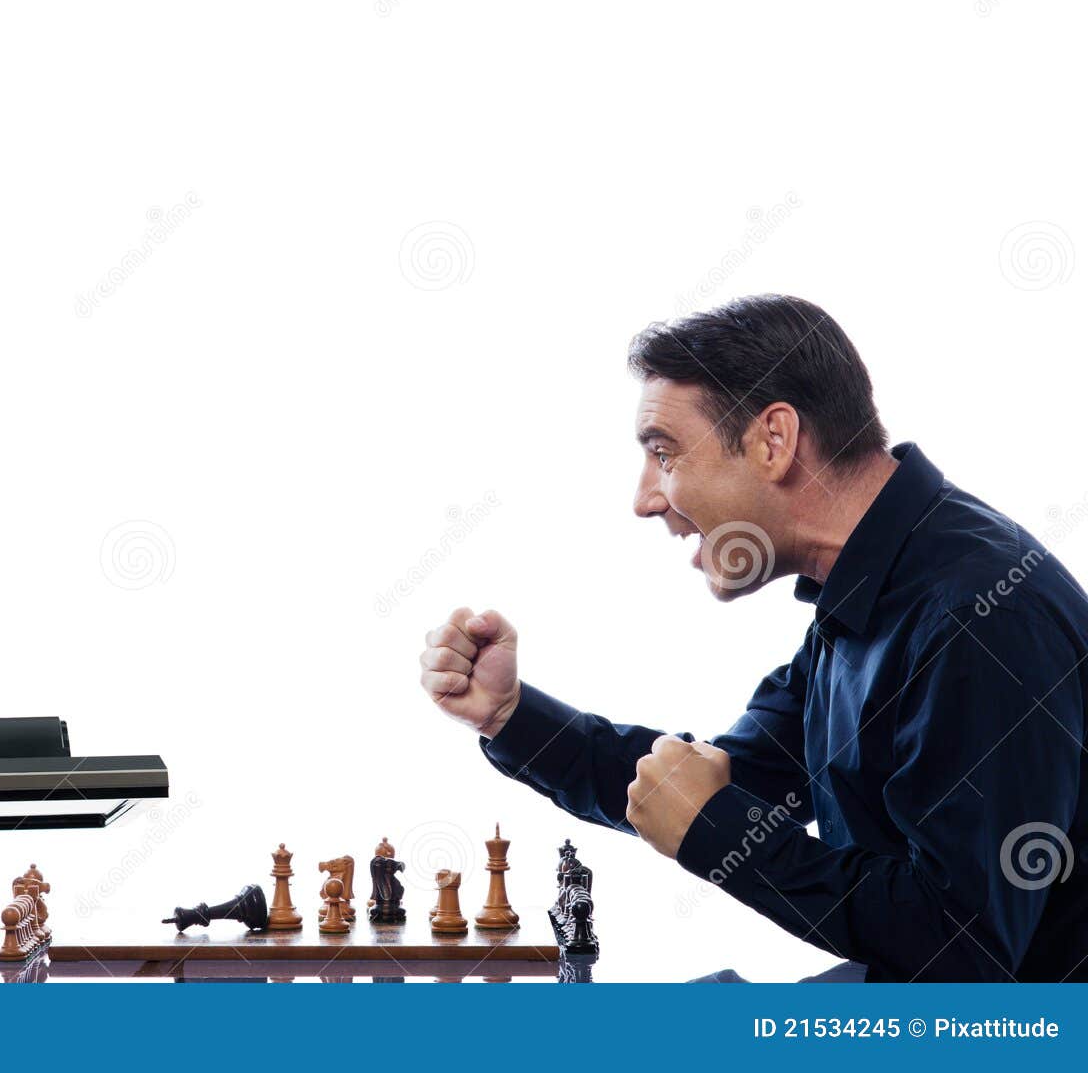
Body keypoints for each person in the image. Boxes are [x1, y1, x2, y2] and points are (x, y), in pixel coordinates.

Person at [419, 295, 1087, 981]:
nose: (646, 498)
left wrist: (717, 829)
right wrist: (511, 716)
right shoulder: (871, 588)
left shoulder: (977, 616)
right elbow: (711, 779)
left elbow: (963, 949)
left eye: (664, 453)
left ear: (774, 440)